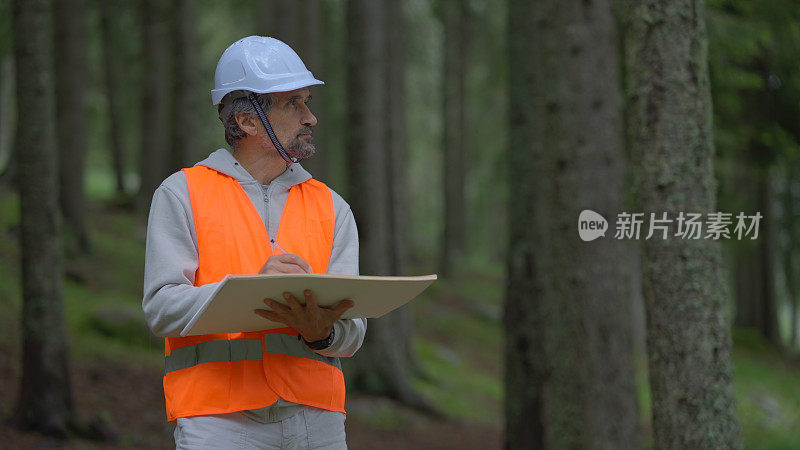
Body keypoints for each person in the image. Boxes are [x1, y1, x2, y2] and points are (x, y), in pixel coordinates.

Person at [142, 35, 366, 449]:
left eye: (307, 101)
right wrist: (250, 291)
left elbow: (354, 332)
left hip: (317, 421)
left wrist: (324, 335)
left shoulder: (332, 207)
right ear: (246, 121)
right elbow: (161, 309)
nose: (310, 117)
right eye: (293, 103)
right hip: (217, 422)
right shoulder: (181, 193)